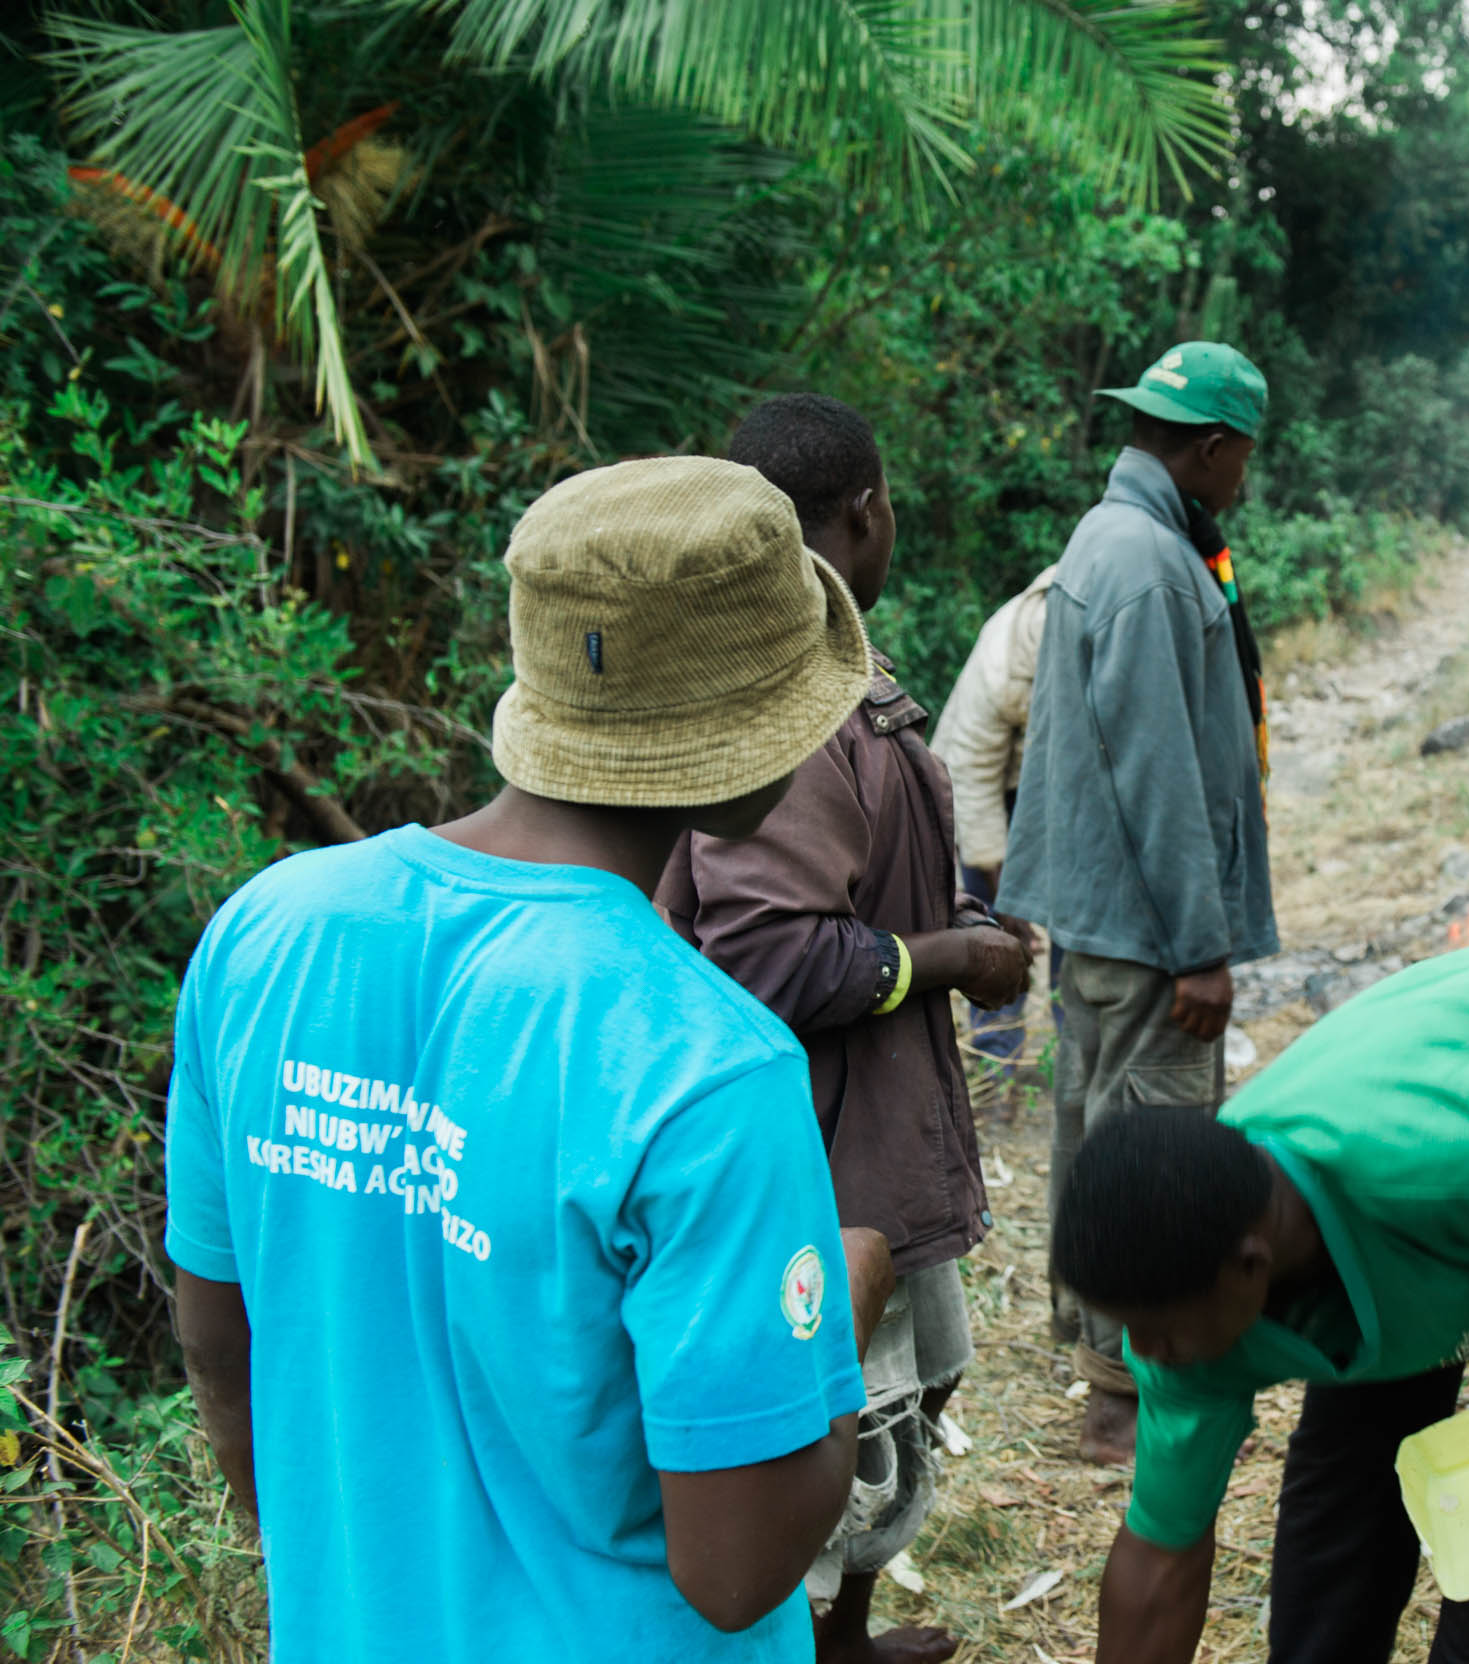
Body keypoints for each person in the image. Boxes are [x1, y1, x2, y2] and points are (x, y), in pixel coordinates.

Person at [165, 456, 891, 1664]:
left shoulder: (265, 933)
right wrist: (845, 1302)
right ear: (757, 739)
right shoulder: (707, 1065)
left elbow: (217, 1347)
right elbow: (738, 1566)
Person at [657, 394, 1030, 1664]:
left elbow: (859, 887)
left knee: (913, 1378)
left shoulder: (831, 662)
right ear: (865, 508)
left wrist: (954, 919)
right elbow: (763, 950)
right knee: (826, 1408)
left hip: (885, 1116)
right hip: (817, 1144)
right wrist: (948, 957)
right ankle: (807, 1642)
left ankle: (851, 1636)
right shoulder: (790, 704)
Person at [1057, 942, 1469, 1664]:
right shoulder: (1186, 1280)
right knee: (1341, 1520)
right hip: (1409, 1212)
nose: (1146, 1357)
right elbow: (1161, 1556)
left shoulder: (1447, 1147)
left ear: (1249, 1267)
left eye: (1156, 1333)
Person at [998, 341, 1280, 1465]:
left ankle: (1102, 1357)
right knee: (1156, 1147)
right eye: (1245, 456)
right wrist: (1200, 947)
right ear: (1211, 447)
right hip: (1150, 930)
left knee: (1097, 1130)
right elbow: (1159, 770)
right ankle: (1122, 1395)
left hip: (1107, 919)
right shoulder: (1150, 565)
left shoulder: (1122, 539)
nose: (1247, 479)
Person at [927, 562, 1058, 1084]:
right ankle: (996, 1061)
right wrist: (1011, 898)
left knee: (1078, 924)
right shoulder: (1005, 660)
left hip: (1043, 785)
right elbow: (973, 777)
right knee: (996, 932)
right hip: (983, 788)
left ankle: (1078, 1045)